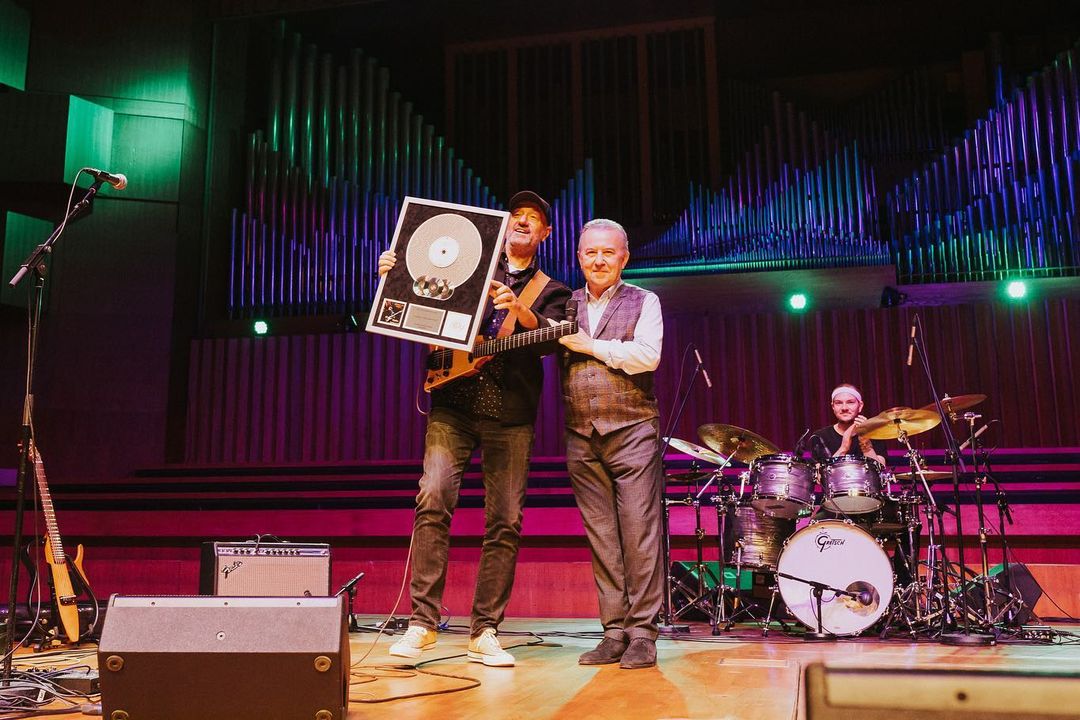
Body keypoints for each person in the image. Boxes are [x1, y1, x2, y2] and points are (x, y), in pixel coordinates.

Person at [379, 191, 571, 666]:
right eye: (517, 216)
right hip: (453, 404)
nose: (523, 223)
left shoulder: (554, 290)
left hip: (511, 414)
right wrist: (393, 276)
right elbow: (418, 298)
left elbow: (552, 338)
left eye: (534, 220)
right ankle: (422, 623)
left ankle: (485, 630)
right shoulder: (465, 263)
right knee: (433, 500)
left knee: (504, 520)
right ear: (504, 226)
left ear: (545, 234)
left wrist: (518, 309)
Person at [553, 218, 664, 669]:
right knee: (602, 537)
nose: (598, 260)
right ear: (579, 258)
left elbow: (646, 356)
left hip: (633, 429)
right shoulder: (565, 302)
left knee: (639, 533)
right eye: (590, 253)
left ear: (624, 258)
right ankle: (614, 631)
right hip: (581, 433)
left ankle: (643, 634)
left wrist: (590, 345)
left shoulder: (645, 300)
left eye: (608, 252)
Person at [811, 384, 887, 466]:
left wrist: (865, 442)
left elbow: (880, 472)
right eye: (838, 403)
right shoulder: (820, 436)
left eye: (850, 402)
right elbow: (819, 476)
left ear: (860, 406)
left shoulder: (876, 433)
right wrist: (844, 447)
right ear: (833, 407)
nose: (844, 408)